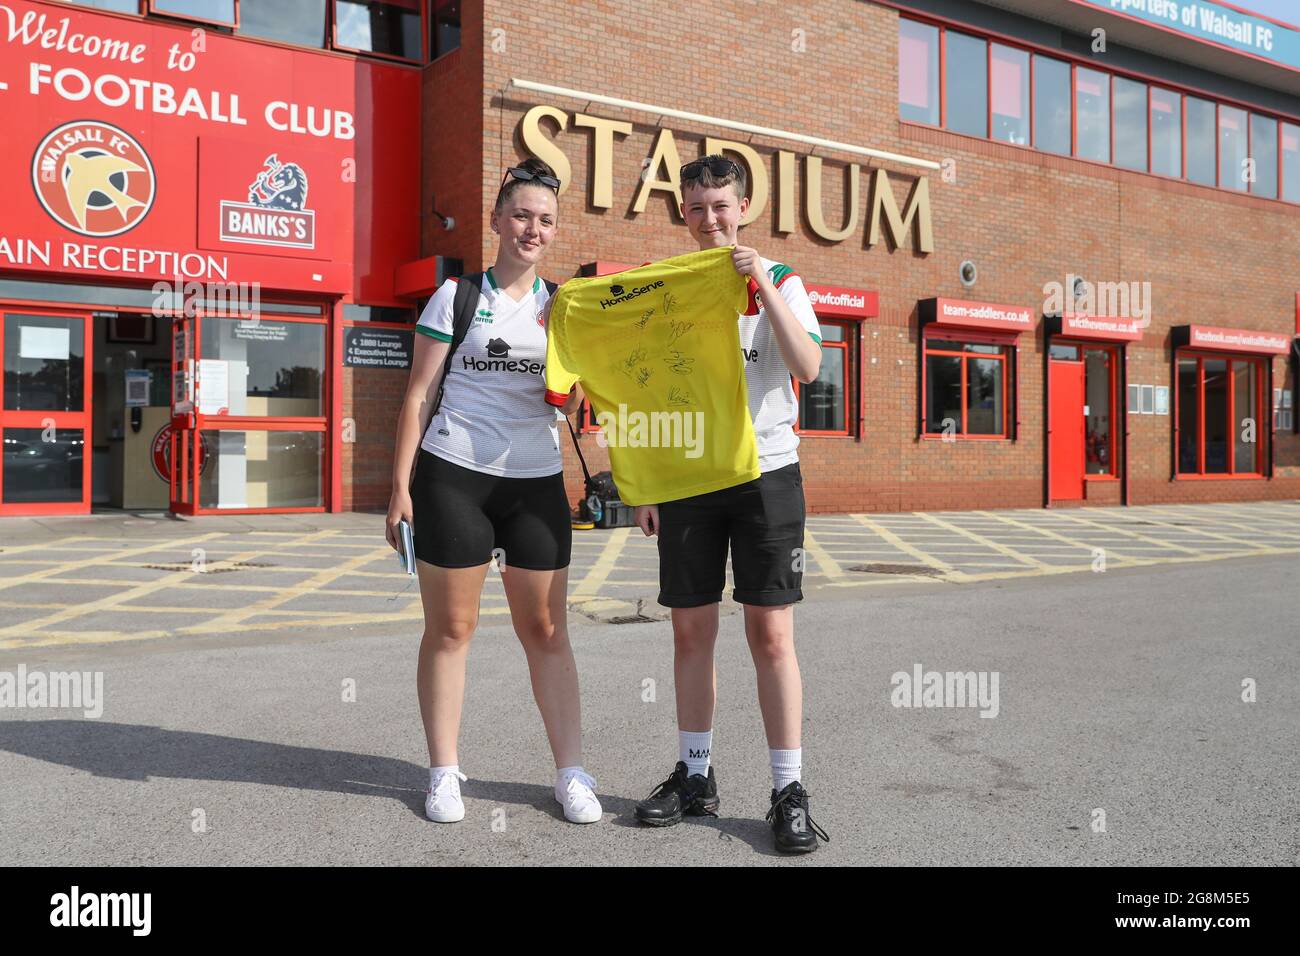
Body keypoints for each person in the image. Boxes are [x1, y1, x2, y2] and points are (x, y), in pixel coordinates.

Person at [385, 158, 601, 825]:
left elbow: (585, 399)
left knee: (545, 629)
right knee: (452, 628)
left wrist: (581, 394)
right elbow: (418, 394)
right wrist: (399, 488)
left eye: (545, 220)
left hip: (535, 483)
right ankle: (445, 773)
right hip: (454, 475)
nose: (531, 229)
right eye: (521, 215)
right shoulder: (455, 296)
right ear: (498, 220)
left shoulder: (564, 307)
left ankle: (571, 773)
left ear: (554, 231)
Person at [632, 155, 830, 852]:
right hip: (688, 479)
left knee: (770, 636)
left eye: (720, 206)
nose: (709, 219)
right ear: (681, 214)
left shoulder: (780, 279)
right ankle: (695, 778)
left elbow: (807, 367)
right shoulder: (673, 288)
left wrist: (760, 286)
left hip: (768, 476)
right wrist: (647, 483)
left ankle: (788, 791)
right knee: (690, 634)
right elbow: (652, 388)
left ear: (743, 205)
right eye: (695, 208)